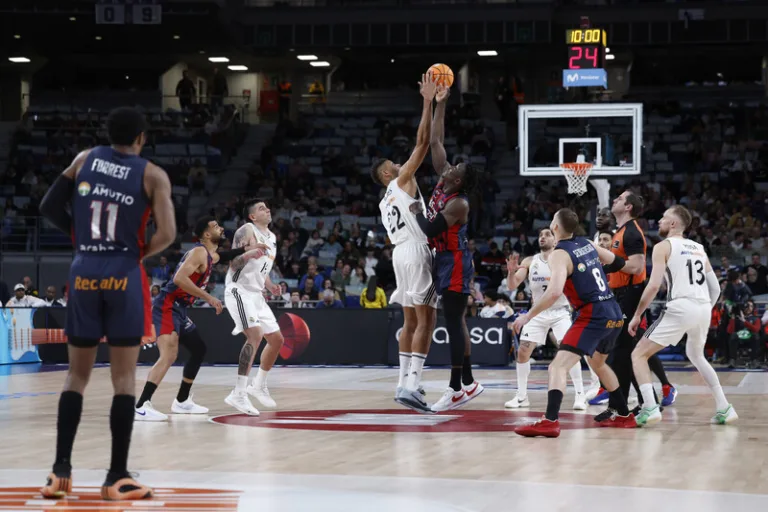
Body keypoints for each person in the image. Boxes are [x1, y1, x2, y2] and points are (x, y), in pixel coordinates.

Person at [38, 107, 176, 499]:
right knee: (122, 380)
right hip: (123, 274)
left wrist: (82, 239)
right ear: (141, 138)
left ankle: (59, 472)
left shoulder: (85, 159)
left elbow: (48, 206)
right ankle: (116, 477)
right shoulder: (152, 174)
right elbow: (167, 232)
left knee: (76, 376)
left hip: (83, 271)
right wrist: (137, 251)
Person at [512, 209, 636, 438]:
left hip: (593, 314)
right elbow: (616, 262)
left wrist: (527, 316)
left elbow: (554, 292)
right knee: (598, 363)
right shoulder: (587, 243)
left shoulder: (559, 254)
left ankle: (549, 421)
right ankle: (624, 415)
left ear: (556, 227)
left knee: (557, 367)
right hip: (613, 311)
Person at [135, 216, 263, 421]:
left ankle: (182, 401)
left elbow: (225, 254)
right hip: (167, 305)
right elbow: (178, 279)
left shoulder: (209, 255)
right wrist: (209, 298)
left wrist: (249, 249)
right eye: (216, 226)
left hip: (180, 308)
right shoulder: (198, 252)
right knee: (169, 354)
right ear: (206, 234)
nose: (221, 228)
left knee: (198, 348)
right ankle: (141, 405)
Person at [409, 84, 483, 413]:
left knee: (453, 323)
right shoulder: (444, 178)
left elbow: (430, 228)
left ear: (459, 181)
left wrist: (413, 210)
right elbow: (436, 140)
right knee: (456, 323)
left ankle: (455, 388)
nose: (450, 166)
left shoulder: (459, 204)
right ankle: (467, 382)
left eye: (456, 169)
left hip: (454, 262)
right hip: (444, 260)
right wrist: (442, 103)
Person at [628, 205, 737, 426]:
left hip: (680, 306)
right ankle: (724, 407)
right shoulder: (698, 247)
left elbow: (653, 286)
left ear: (674, 224)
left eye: (664, 217)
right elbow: (715, 288)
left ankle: (650, 407)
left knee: (638, 355)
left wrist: (637, 314)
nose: (659, 220)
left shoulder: (663, 246)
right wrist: (704, 308)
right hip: (703, 307)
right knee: (697, 356)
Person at [371, 73, 438, 412]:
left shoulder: (384, 200)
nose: (400, 165)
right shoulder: (400, 181)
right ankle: (413, 384)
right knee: (428, 321)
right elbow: (423, 144)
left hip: (400, 253)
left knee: (410, 321)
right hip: (416, 250)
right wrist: (428, 101)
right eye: (393, 165)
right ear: (387, 174)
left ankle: (403, 383)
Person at [592, 190, 676, 411]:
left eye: (619, 199)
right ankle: (637, 403)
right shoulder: (620, 231)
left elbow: (637, 267)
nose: (614, 200)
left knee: (623, 351)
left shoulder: (632, 232)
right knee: (625, 352)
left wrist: (609, 262)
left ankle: (621, 407)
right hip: (620, 294)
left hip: (631, 293)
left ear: (628, 207)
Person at [503, 228, 586, 411]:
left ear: (555, 239)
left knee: (569, 352)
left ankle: (580, 396)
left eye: (547, 234)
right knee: (523, 351)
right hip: (537, 312)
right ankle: (522, 396)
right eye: (540, 235)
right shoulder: (529, 261)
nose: (542, 237)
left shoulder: (563, 258)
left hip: (560, 311)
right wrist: (510, 273)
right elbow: (512, 285)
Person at [223, 198, 285, 416]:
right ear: (252, 216)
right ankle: (238, 393)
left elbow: (263, 269)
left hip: (257, 294)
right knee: (255, 335)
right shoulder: (246, 230)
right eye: (261, 208)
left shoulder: (273, 238)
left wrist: (270, 286)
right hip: (239, 290)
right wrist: (249, 252)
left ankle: (258, 385)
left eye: (268, 207)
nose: (267, 210)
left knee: (277, 340)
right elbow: (233, 263)